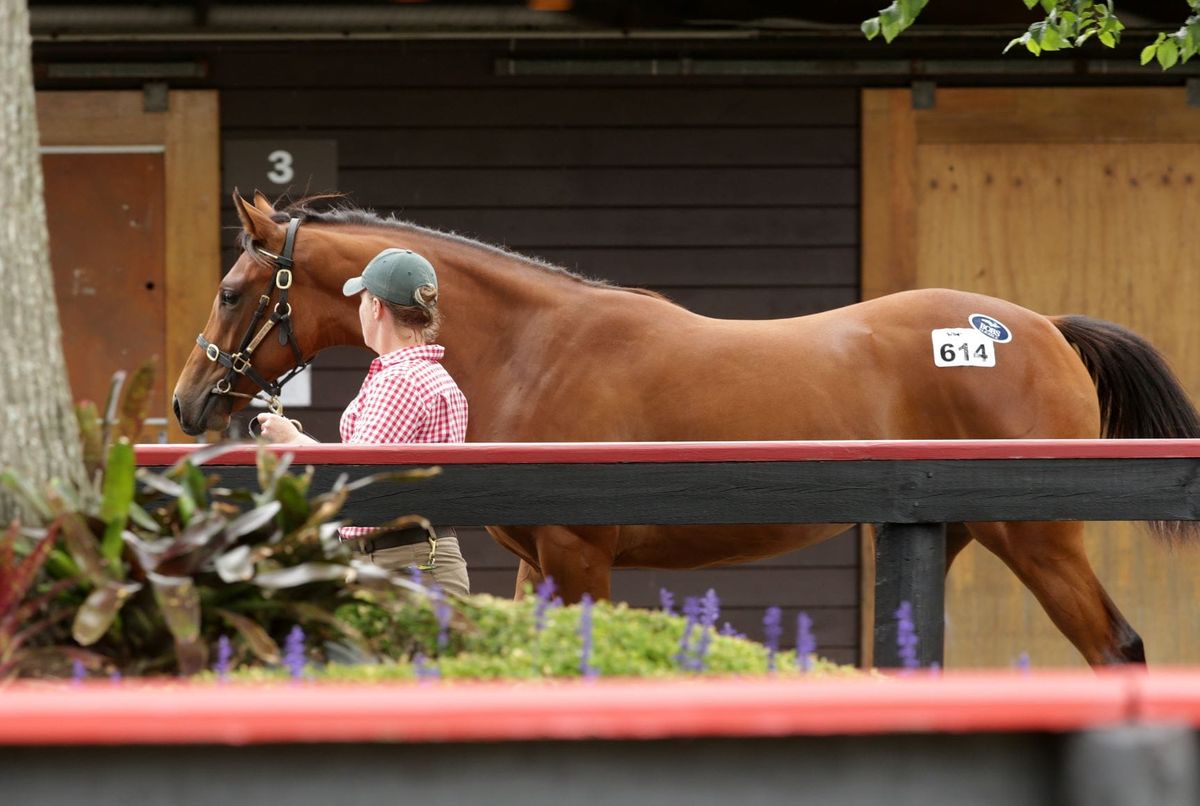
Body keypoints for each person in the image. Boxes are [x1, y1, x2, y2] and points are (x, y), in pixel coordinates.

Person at [255, 247, 470, 596]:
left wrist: (294, 443)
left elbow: (357, 478)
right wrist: (296, 439)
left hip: (399, 562)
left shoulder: (399, 381)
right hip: (416, 558)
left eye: (362, 300)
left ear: (376, 307)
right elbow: (365, 463)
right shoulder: (432, 376)